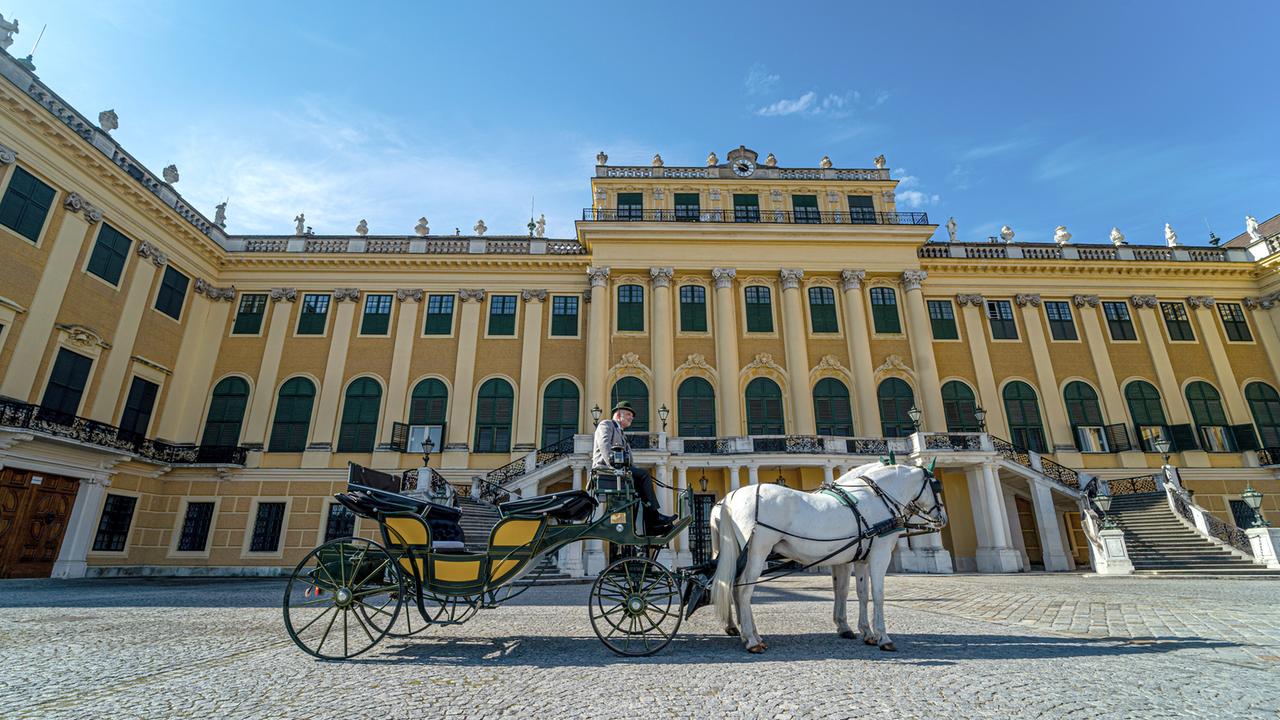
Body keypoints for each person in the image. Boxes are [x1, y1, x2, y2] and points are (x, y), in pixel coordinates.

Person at [592, 401, 676, 534]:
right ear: (619, 414)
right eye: (629, 414)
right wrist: (614, 467)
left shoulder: (621, 432)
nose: (632, 417)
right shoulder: (606, 425)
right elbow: (604, 445)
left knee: (640, 493)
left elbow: (628, 461)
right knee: (644, 475)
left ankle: (650, 527)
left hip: (620, 473)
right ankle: (655, 518)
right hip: (607, 471)